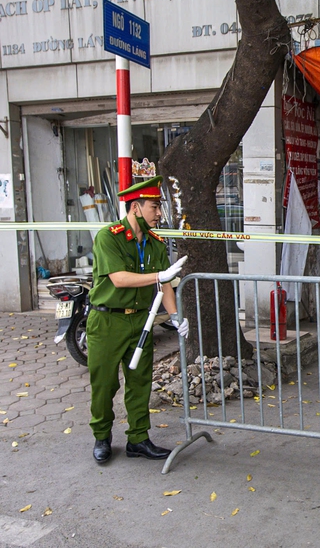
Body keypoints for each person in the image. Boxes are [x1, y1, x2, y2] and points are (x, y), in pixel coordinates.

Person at [88, 176, 189, 464]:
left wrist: (175, 316)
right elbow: (119, 279)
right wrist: (160, 276)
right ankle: (102, 436)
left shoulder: (155, 242)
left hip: (140, 322)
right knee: (105, 384)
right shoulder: (109, 236)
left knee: (140, 382)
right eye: (154, 207)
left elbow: (165, 284)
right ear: (135, 208)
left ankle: (138, 439)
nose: (159, 214)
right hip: (108, 322)